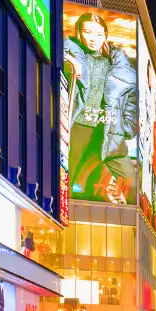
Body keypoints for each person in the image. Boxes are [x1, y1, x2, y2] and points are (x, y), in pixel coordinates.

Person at [63, 13, 137, 205]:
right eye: (87, 32)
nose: (93, 38)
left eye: (98, 33)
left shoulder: (118, 63)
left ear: (105, 35)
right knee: (71, 180)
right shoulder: (70, 55)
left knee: (133, 183)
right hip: (80, 127)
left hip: (110, 130)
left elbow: (131, 99)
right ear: (80, 32)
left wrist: (127, 128)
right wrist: (70, 66)